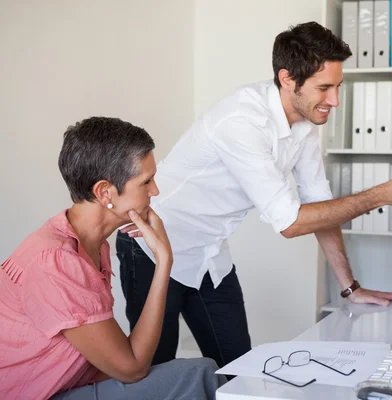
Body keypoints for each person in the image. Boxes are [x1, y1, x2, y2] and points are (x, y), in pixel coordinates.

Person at [117, 21, 392, 369]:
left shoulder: (305, 124)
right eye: (324, 88)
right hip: (151, 247)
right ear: (288, 78)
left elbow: (320, 206)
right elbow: (290, 223)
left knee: (237, 369)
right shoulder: (242, 121)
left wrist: (350, 288)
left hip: (208, 255)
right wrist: (381, 195)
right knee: (154, 373)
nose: (333, 101)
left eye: (338, 87)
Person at [0, 117, 225, 400]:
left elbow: (121, 364)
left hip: (66, 384)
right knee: (198, 374)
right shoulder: (56, 261)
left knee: (188, 373)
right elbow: (133, 369)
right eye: (146, 181)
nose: (155, 191)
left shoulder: (92, 245)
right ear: (104, 191)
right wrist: (164, 261)